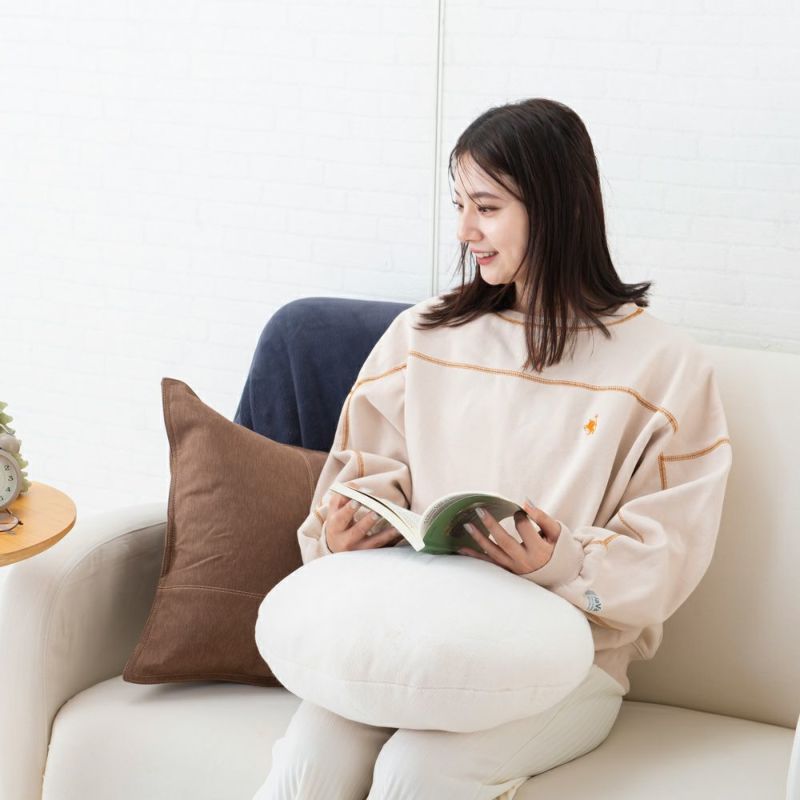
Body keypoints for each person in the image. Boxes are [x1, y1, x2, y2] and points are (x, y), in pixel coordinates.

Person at [252, 98, 733, 800]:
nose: (465, 231)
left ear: (557, 209)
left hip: (567, 660)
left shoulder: (663, 366)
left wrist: (558, 561)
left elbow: (668, 552)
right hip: (409, 633)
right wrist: (343, 534)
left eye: (486, 207)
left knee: (416, 772)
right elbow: (363, 476)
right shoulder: (423, 335)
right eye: (459, 205)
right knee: (308, 763)